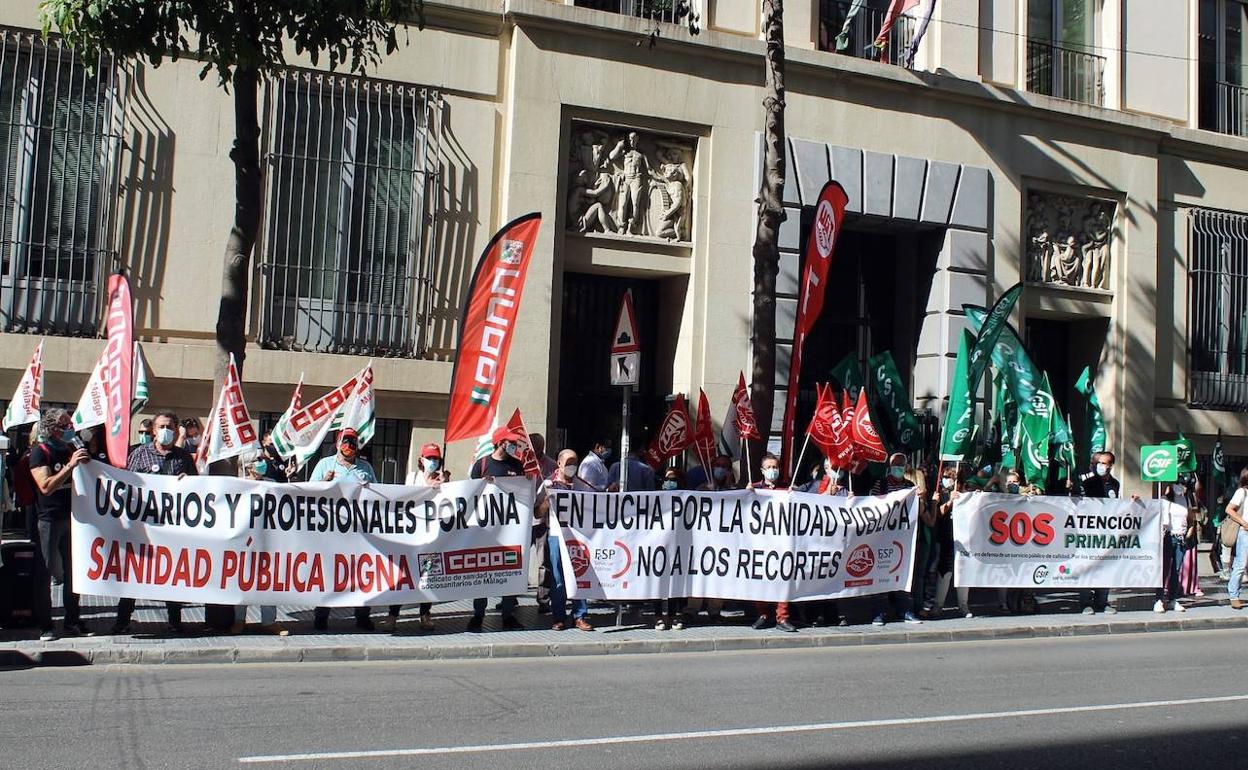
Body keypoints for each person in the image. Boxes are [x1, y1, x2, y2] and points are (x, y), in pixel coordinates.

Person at [113, 410, 196, 635]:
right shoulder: (140, 454)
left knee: (173, 572)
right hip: (143, 525)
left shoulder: (183, 457)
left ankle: (175, 621)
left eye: (169, 426)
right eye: (161, 426)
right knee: (134, 572)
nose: (165, 431)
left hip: (172, 526)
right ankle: (122, 620)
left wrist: (187, 483)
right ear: (153, 430)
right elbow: (126, 484)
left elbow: (198, 488)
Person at [28, 409, 90, 640]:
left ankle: (72, 620)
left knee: (74, 572)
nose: (70, 428)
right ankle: (45, 625)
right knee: (46, 572)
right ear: (53, 428)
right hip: (50, 520)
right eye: (65, 425)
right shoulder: (39, 453)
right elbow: (45, 486)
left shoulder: (70, 449)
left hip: (73, 518)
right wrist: (70, 466)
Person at [311, 428, 378, 632]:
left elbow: (378, 492)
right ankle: (322, 615)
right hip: (331, 529)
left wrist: (369, 488)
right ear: (338, 442)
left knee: (362, 573)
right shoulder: (325, 464)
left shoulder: (365, 467)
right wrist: (325, 483)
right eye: (345, 441)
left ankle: (362, 615)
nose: (349, 445)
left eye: (353, 441)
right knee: (329, 572)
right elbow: (309, 490)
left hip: (358, 530)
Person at [467, 425, 529, 632]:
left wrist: (526, 482)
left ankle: (508, 615)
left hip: (510, 530)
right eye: (510, 442)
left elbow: (521, 495)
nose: (513, 445)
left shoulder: (517, 465)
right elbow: (470, 493)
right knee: (482, 572)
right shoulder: (482, 464)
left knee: (510, 570)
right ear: (500, 442)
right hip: (485, 531)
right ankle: (478, 614)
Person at [232, 448, 288, 635]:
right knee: (243, 580)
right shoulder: (237, 485)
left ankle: (269, 621)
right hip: (244, 540)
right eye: (258, 459)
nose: (263, 462)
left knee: (269, 579)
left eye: (263, 458)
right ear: (247, 465)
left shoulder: (272, 484)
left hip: (268, 540)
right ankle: (239, 619)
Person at [390, 443, 443, 632]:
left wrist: (442, 486)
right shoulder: (412, 477)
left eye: (436, 459)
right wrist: (427, 488)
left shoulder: (442, 480)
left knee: (427, 577)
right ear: (421, 459)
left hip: (430, 539)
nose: (433, 462)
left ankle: (425, 615)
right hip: (410, 538)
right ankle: (393, 616)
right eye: (430, 458)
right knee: (403, 576)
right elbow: (405, 499)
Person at [869, 453, 922, 625]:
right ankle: (878, 613)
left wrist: (919, 500)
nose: (898, 467)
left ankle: (905, 611)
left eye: (901, 464)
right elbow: (872, 506)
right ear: (889, 467)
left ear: (906, 467)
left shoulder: (910, 486)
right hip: (883, 538)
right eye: (895, 464)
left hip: (903, 538)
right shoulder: (881, 485)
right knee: (880, 575)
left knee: (902, 573)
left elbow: (916, 511)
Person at [545, 449, 594, 632]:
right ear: (559, 464)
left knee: (580, 575)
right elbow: (538, 512)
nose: (572, 466)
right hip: (557, 537)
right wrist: (546, 500)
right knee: (558, 579)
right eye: (569, 462)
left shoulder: (582, 485)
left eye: (575, 462)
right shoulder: (549, 483)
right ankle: (558, 617)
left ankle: (580, 616)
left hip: (579, 538)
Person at [751, 454, 796, 632]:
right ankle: (763, 614)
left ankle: (782, 617)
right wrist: (746, 493)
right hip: (759, 543)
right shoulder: (753, 489)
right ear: (762, 471)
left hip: (782, 543)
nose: (772, 470)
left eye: (775, 467)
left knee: (783, 580)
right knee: (758, 579)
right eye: (769, 467)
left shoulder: (787, 490)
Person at [1074, 451, 1122, 614]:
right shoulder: (1089, 483)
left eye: (1104, 463)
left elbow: (1116, 507)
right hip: (1089, 533)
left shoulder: (1115, 484)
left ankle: (1102, 601)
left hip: (1107, 533)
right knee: (1087, 565)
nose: (1101, 466)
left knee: (1105, 567)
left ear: (1111, 465)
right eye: (1098, 463)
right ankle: (1085, 602)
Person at [1155, 475, 1195, 613]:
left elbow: (1191, 518)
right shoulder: (1165, 500)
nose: (1180, 486)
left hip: (1181, 538)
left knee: (1175, 571)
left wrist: (1188, 533)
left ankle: (1172, 599)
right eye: (1177, 483)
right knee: (1164, 570)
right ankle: (1159, 599)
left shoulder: (1186, 499)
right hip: (1168, 537)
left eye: (1182, 484)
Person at [1222, 468, 1248, 610]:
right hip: (1245, 532)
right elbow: (1229, 509)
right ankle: (1234, 595)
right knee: (1240, 564)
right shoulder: (1242, 492)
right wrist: (1244, 522)